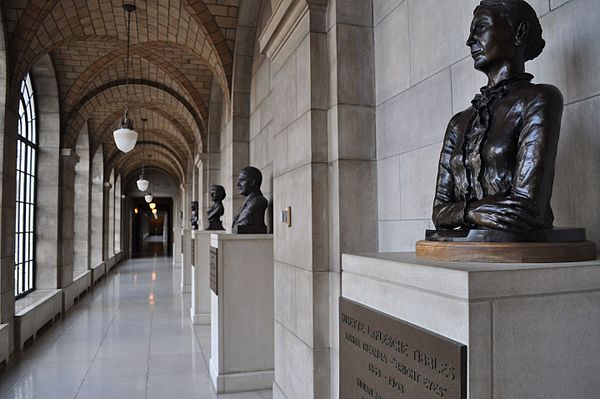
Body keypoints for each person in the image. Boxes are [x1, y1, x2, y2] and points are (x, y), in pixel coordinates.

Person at [432, 0, 563, 233]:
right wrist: (473, 212)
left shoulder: (539, 99)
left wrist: (459, 212)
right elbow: (439, 212)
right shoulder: (458, 123)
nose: (470, 40)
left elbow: (526, 209)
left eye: (481, 27)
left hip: (518, 251)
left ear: (519, 33)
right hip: (468, 250)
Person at [232, 167, 268, 234]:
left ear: (252, 182)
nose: (238, 184)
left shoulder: (258, 202)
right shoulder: (249, 202)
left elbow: (243, 221)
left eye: (241, 180)